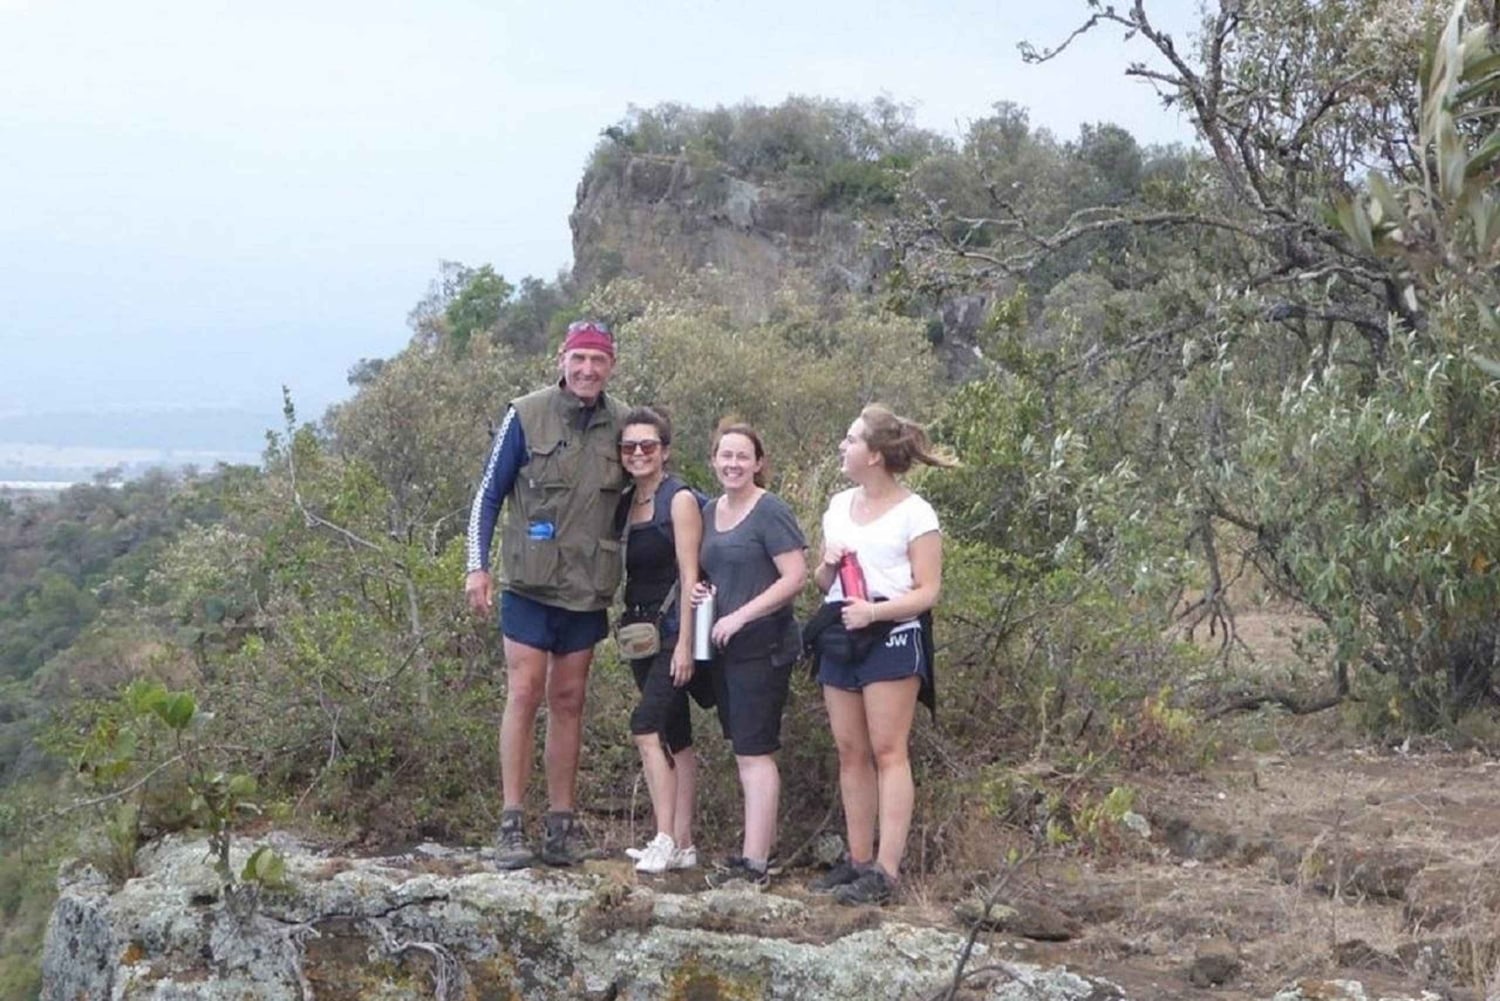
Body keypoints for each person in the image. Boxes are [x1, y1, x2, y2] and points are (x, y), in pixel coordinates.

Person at [464, 319, 630, 869]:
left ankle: (561, 825)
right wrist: (476, 567)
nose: (587, 369)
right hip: (529, 584)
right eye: (579, 358)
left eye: (597, 360)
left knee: (569, 700)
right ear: (562, 359)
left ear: (611, 366)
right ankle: (511, 823)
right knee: (524, 691)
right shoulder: (525, 414)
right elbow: (488, 495)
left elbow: (648, 490)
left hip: (587, 589)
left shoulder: (624, 424)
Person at [805, 404, 955, 905]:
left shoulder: (916, 513)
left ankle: (886, 872)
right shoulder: (837, 506)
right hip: (841, 633)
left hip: (891, 633)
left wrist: (875, 613)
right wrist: (826, 567)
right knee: (850, 751)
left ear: (873, 455)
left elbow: (928, 590)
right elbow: (823, 582)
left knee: (889, 751)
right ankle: (857, 860)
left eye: (851, 440)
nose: (842, 447)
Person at [692, 420, 808, 888]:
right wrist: (704, 593)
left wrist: (741, 616)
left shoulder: (770, 511)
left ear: (758, 463)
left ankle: (755, 863)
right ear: (713, 460)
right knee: (742, 748)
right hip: (724, 648)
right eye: (726, 455)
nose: (734, 464)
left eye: (743, 456)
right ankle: (757, 849)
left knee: (754, 752)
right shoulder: (708, 511)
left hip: (764, 645)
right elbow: (712, 569)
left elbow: (795, 576)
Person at [613, 407, 712, 874]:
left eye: (648, 445)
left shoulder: (679, 500)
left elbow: (691, 575)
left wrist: (686, 644)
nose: (638, 453)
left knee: (645, 727)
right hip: (640, 636)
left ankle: (664, 838)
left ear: (665, 451)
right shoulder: (625, 504)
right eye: (629, 446)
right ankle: (683, 843)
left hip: (673, 632)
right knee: (676, 737)